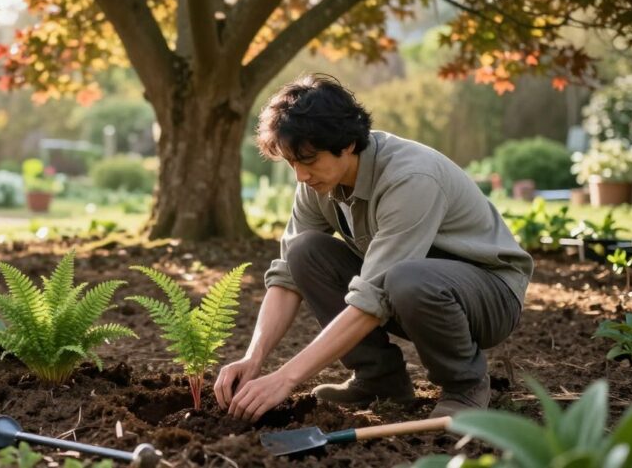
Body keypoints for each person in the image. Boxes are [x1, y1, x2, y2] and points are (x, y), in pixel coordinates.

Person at [214, 73, 532, 422]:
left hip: (489, 296)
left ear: (347, 144)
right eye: (292, 162)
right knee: (304, 252)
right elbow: (287, 277)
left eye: (308, 160)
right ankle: (380, 380)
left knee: (404, 278)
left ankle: (465, 384)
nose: (300, 176)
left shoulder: (410, 178)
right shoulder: (317, 183)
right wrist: (253, 359)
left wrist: (286, 378)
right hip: (407, 288)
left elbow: (372, 298)